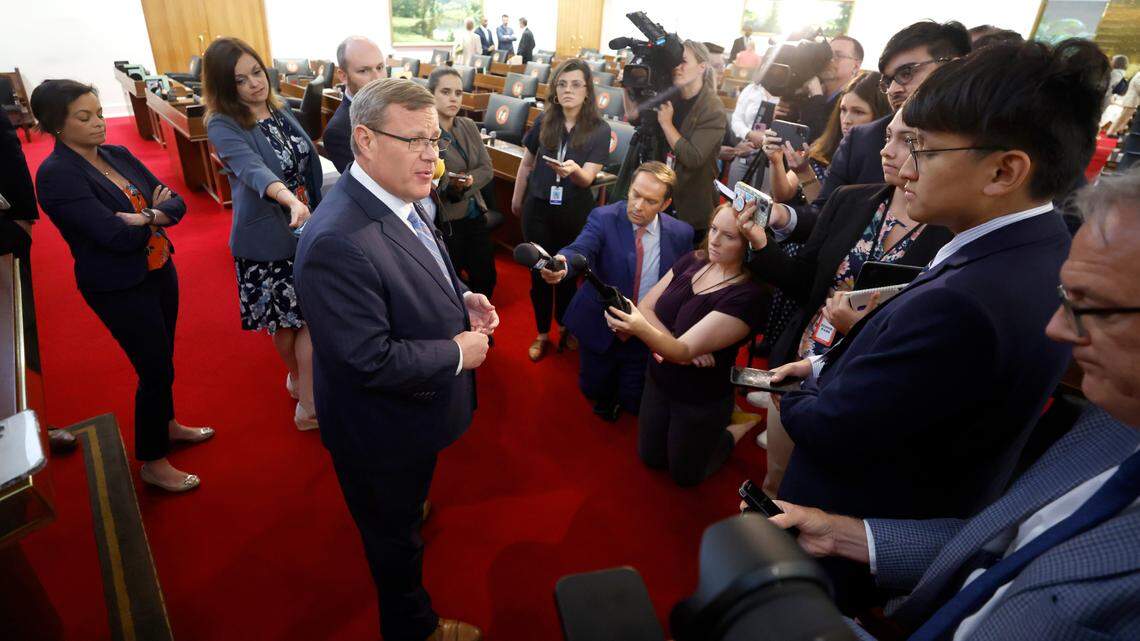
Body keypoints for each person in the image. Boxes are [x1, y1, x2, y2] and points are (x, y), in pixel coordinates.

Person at [742, 38, 1106, 610]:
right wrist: (820, 364)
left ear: (1004, 170)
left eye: (924, 150)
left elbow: (835, 428)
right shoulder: (1035, 245)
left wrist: (797, 389)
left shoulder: (968, 299)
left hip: (856, 520)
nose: (904, 167)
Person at [761, 166, 1140, 641]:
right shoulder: (1115, 425)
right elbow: (1008, 546)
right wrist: (841, 534)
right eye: (1067, 297)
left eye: (1094, 306)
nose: (1058, 329)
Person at [294, 77, 496, 641]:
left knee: (404, 506)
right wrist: (456, 352)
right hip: (378, 428)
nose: (432, 156)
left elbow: (420, 263)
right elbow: (366, 359)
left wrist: (461, 296)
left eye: (435, 140)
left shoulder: (400, 192)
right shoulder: (337, 239)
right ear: (364, 140)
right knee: (393, 542)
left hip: (411, 417)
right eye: (414, 141)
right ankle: (413, 627)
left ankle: (410, 505)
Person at [748, 108, 952, 496]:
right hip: (802, 360)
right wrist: (759, 243)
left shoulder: (951, 232)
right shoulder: (851, 199)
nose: (886, 150)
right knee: (775, 480)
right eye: (887, 136)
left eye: (907, 140)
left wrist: (859, 329)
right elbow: (804, 281)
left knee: (823, 491)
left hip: (865, 383)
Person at [32, 80, 213, 491]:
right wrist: (155, 214)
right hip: (118, 284)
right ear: (57, 124)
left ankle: (167, 424)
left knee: (163, 358)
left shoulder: (117, 154)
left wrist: (144, 217)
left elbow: (177, 202)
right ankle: (152, 459)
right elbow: (113, 236)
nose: (99, 123)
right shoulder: (57, 175)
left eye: (99, 113)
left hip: (158, 266)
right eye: (85, 117)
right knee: (153, 367)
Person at [203, 37, 324, 431]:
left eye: (256, 72)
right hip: (268, 239)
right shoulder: (222, 123)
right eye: (240, 80)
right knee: (284, 324)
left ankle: (306, 401)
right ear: (225, 87)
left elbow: (307, 160)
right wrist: (289, 200)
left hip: (308, 225)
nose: (255, 83)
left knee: (309, 319)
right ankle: (300, 385)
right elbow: (253, 169)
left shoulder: (278, 107)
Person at [605, 203, 767, 487]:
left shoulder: (749, 296)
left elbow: (679, 349)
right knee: (650, 458)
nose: (714, 240)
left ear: (749, 245)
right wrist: (678, 347)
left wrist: (662, 340)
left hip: (699, 396)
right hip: (659, 378)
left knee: (686, 477)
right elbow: (646, 307)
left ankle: (734, 428)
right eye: (714, 229)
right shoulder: (695, 259)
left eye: (729, 236)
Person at [768, 21, 971, 243]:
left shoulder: (978, 145)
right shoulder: (862, 139)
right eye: (888, 80)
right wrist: (779, 215)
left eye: (906, 73)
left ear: (952, 66)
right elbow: (825, 216)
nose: (894, 89)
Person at [540, 162, 694, 421]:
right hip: (600, 324)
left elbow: (684, 284)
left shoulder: (681, 233)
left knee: (634, 401)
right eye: (635, 194)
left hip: (645, 331)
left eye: (650, 201)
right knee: (593, 390)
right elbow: (581, 249)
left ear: (665, 204)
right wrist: (563, 265)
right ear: (629, 188)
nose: (638, 206)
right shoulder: (603, 218)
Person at [511, 59, 611, 362]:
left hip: (573, 211)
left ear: (587, 90)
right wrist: (517, 198)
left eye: (576, 84)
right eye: (562, 84)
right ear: (555, 90)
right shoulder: (544, 120)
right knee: (540, 274)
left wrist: (574, 171)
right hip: (538, 209)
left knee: (567, 273)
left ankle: (566, 326)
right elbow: (526, 163)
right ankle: (542, 333)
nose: (568, 90)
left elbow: (588, 178)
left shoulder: (599, 129)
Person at [625, 40, 726, 243]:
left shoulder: (712, 108)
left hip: (690, 205)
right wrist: (628, 86)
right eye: (675, 62)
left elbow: (693, 157)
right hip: (658, 198)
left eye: (684, 62)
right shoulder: (668, 93)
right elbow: (634, 117)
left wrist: (666, 124)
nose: (677, 67)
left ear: (702, 67)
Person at [766, 71, 892, 204]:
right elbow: (782, 195)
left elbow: (826, 211)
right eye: (843, 110)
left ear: (880, 116)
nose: (846, 120)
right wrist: (776, 161)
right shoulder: (824, 146)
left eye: (858, 112)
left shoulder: (884, 164)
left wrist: (805, 174)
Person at [429, 66, 496, 297]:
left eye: (458, 93)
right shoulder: (428, 132)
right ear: (431, 95)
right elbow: (438, 179)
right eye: (446, 92)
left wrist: (463, 183)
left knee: (486, 278)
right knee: (454, 286)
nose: (453, 98)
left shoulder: (467, 124)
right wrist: (455, 183)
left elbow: (487, 169)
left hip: (475, 213)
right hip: (447, 220)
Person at [324, 36, 386, 173]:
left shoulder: (398, 107)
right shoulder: (338, 132)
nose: (377, 78)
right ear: (343, 76)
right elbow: (370, 181)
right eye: (363, 71)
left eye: (380, 67)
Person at [798, 35, 864, 143]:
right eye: (827, 54)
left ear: (856, 66)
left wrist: (816, 97)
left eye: (838, 55)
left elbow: (821, 139)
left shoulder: (855, 102)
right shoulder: (809, 92)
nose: (829, 60)